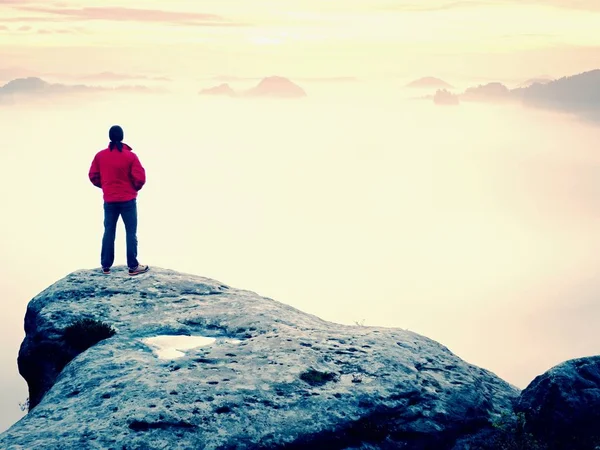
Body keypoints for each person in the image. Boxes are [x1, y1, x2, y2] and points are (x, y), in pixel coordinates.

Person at [89, 125, 149, 276]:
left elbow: (93, 175)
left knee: (109, 231)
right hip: (128, 200)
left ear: (110, 137)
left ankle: (106, 266)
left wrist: (105, 186)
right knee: (130, 232)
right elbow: (140, 178)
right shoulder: (130, 157)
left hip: (109, 200)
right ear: (122, 137)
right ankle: (133, 267)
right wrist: (133, 188)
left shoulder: (100, 156)